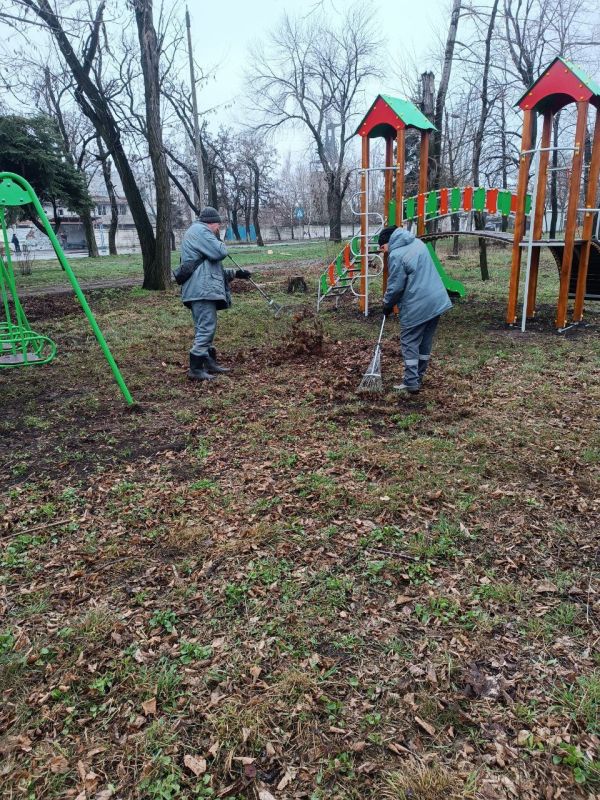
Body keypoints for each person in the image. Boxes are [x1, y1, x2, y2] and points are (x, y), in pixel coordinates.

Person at [179, 206, 252, 381]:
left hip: (200, 289)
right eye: (218, 226)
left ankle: (208, 362)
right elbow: (221, 252)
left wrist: (236, 274)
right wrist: (219, 240)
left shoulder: (199, 234)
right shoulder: (201, 231)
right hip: (201, 290)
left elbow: (210, 269)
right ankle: (196, 369)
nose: (218, 229)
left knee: (205, 327)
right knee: (206, 327)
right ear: (212, 223)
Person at [378, 225, 452, 395]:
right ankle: (418, 377)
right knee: (425, 341)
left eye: (382, 248)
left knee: (409, 341)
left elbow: (396, 286)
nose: (384, 252)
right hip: (436, 301)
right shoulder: (418, 243)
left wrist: (387, 304)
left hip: (418, 304)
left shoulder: (396, 254)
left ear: (388, 242)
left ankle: (411, 382)